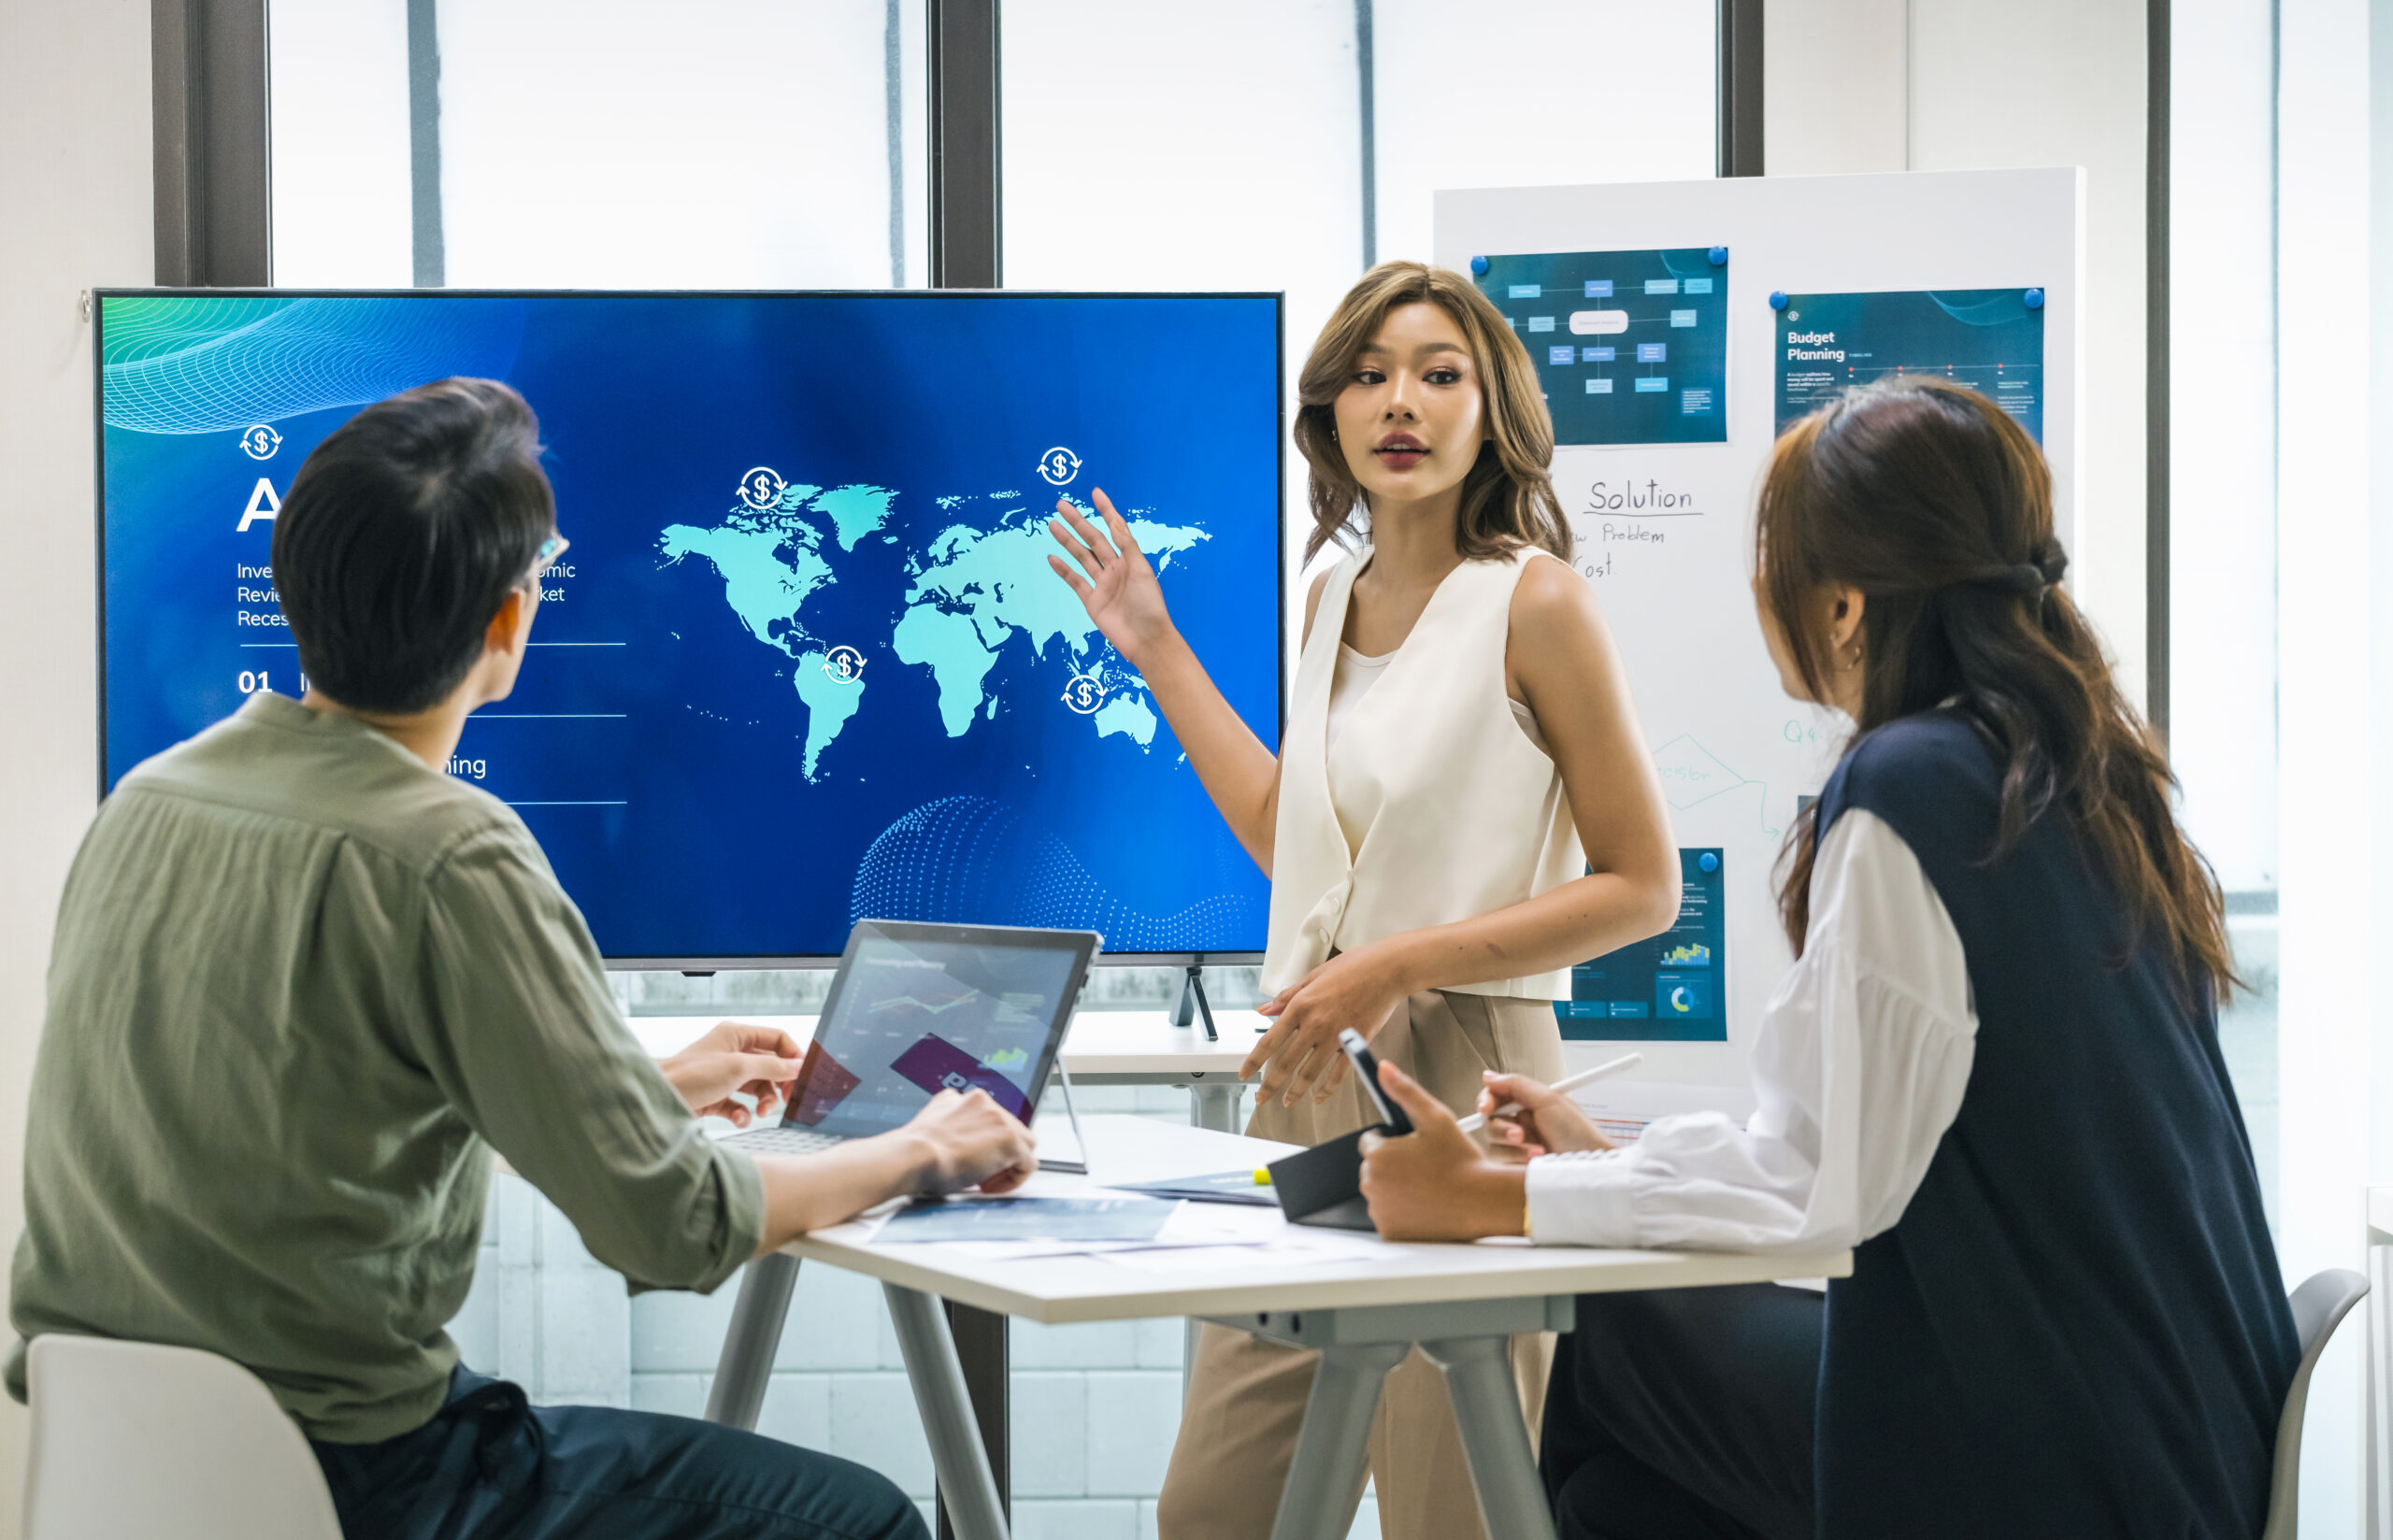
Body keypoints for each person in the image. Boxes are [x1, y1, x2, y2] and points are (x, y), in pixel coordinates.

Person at [7, 378, 1039, 1540]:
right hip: (359, 1479)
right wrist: (922, 1146)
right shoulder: (447, 852)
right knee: (865, 1520)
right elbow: (675, 1227)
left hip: (126, 1468)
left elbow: (307, 1128)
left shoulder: (150, 799)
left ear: (295, 582)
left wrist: (636, 1095)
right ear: (507, 626)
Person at [1354, 376, 2300, 1539]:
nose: (1757, 585)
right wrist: (1601, 1161)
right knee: (1621, 1483)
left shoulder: (1910, 787)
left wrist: (1491, 1198)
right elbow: (1864, 1143)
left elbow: (1819, 1188)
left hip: (2055, 1469)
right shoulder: (2080, 775)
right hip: (2171, 1431)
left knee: (1610, 1343)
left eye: (1770, 553)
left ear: (1845, 605)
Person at [1045, 262, 1679, 1540]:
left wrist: (1396, 963)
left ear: (1490, 410)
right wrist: (1157, 648)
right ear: (1330, 411)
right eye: (1372, 375)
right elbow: (1303, 849)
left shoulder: (1536, 601)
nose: (1403, 402)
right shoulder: (1330, 598)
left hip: (1466, 1079)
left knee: (1455, 1513)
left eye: (1440, 374)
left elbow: (1642, 886)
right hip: (1307, 1078)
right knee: (1216, 1511)